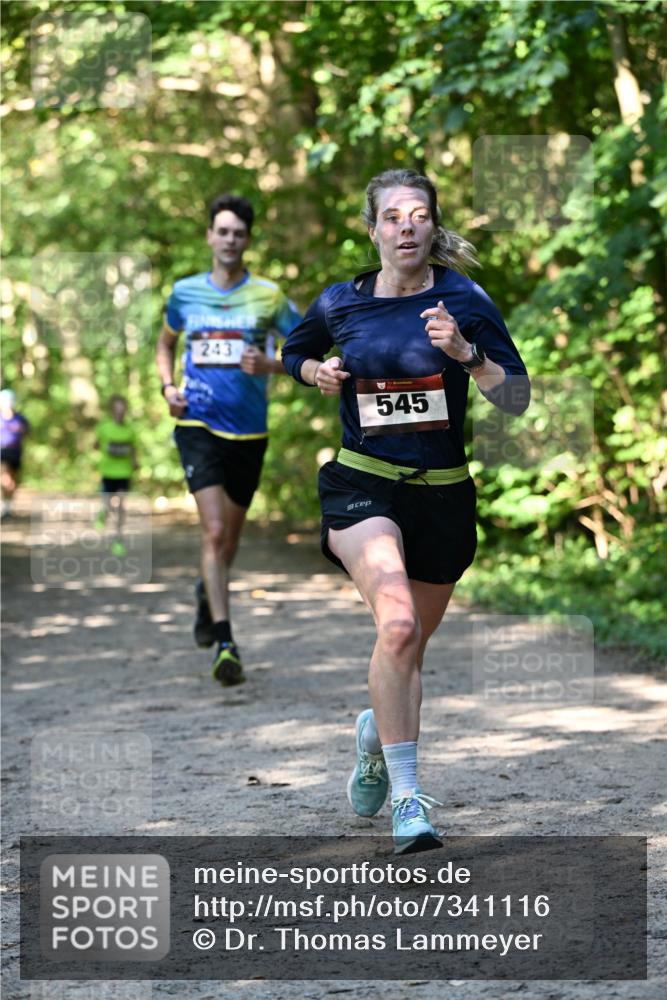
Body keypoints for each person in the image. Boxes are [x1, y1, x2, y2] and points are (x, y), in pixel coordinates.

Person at [282, 169, 530, 854]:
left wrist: (467, 355)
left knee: (408, 646)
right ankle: (408, 801)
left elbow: (515, 398)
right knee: (395, 625)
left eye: (418, 214)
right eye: (392, 216)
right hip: (361, 484)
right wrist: (314, 373)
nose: (406, 227)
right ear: (373, 230)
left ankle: (374, 734)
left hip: (442, 494)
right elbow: (294, 351)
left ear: (433, 225)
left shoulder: (463, 300)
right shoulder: (340, 302)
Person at [156, 193, 301, 687]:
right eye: (222, 231)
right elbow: (165, 344)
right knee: (215, 532)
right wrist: (167, 387)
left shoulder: (269, 297)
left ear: (247, 240)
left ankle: (207, 590)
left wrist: (271, 364)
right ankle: (224, 640)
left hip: (248, 430)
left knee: (230, 540)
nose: (230, 240)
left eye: (238, 233)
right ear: (209, 236)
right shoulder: (184, 293)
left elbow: (304, 349)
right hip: (196, 422)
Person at [94, 394, 138, 557]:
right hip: (108, 472)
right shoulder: (104, 428)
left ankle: (118, 539)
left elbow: (133, 448)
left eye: (122, 409)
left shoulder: (130, 430)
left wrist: (135, 461)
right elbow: (96, 444)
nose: (120, 412)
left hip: (124, 472)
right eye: (117, 409)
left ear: (125, 410)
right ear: (112, 410)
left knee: (120, 505)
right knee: (108, 505)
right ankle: (103, 514)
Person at [0, 388, 29, 520]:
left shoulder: (20, 419)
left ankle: (8, 506)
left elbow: (27, 433)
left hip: (16, 452)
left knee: (13, 481)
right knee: (5, 478)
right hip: (2, 452)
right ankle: (4, 507)